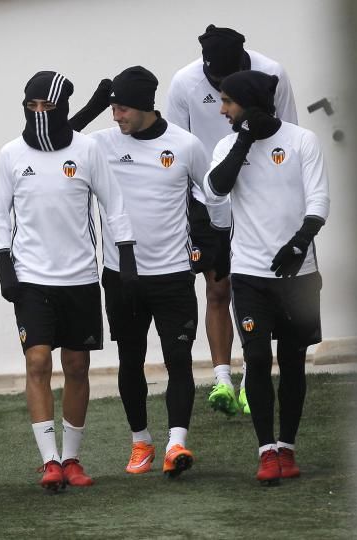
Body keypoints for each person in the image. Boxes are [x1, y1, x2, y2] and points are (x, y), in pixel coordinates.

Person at [71, 66, 226, 478]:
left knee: (178, 359)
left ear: (143, 107)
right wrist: (90, 108)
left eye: (121, 108)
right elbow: (54, 145)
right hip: (121, 275)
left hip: (173, 275)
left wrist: (212, 249)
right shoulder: (99, 145)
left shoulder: (186, 145)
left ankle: (177, 444)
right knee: (130, 360)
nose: (115, 116)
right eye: (112, 108)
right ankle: (141, 442)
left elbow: (212, 196)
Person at [0, 70, 137, 492]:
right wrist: (3, 265)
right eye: (31, 107)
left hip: (80, 278)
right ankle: (49, 461)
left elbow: (115, 204)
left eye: (47, 108)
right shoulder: (11, 155)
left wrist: (125, 256)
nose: (38, 114)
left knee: (76, 365)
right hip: (31, 277)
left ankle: (72, 458)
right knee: (37, 362)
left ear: (63, 109)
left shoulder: (87, 151)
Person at [201, 70, 329, 484]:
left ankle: (287, 449)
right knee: (256, 356)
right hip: (250, 273)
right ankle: (265, 451)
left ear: (250, 103)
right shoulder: (228, 143)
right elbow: (216, 189)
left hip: (298, 272)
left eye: (228, 102)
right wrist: (244, 138)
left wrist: (300, 242)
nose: (221, 110)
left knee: (293, 362)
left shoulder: (301, 140)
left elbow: (319, 198)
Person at [165, 25, 299, 416]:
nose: (222, 92)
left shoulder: (272, 72)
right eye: (215, 82)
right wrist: (191, 206)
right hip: (208, 198)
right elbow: (177, 144)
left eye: (227, 83)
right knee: (218, 289)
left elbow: (289, 132)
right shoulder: (184, 82)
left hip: (261, 198)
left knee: (255, 289)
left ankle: (251, 376)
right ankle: (223, 379)